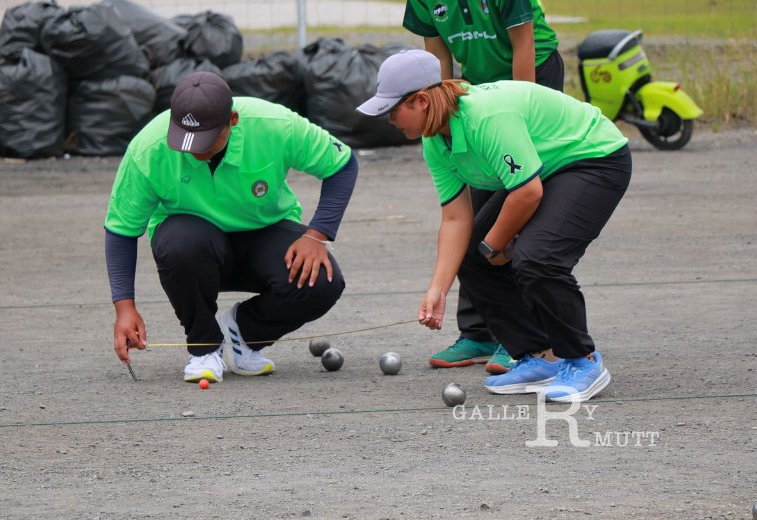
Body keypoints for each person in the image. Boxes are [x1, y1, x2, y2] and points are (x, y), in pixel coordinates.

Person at [357, 50, 631, 402]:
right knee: (471, 255)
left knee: (537, 257)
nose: (390, 119)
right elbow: (456, 218)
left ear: (422, 101)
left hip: (593, 158)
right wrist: (438, 288)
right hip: (542, 169)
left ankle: (582, 360)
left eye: (393, 110)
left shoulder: (486, 116)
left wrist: (496, 244)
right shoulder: (434, 140)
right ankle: (540, 354)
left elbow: (527, 192)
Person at [104, 72, 357, 383]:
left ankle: (244, 333)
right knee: (180, 244)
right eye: (184, 140)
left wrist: (317, 235)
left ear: (233, 120)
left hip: (264, 233)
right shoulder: (149, 148)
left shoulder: (274, 124)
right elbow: (121, 229)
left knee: (322, 280)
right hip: (193, 246)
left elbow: (342, 164)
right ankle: (204, 347)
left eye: (205, 141)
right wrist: (124, 307)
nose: (194, 151)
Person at [402, 0, 564, 372]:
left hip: (530, 75)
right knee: (475, 216)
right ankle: (479, 331)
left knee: (517, 204)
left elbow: (524, 45)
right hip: (476, 87)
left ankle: (524, 335)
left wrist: (519, 114)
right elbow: (436, 67)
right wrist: (437, 115)